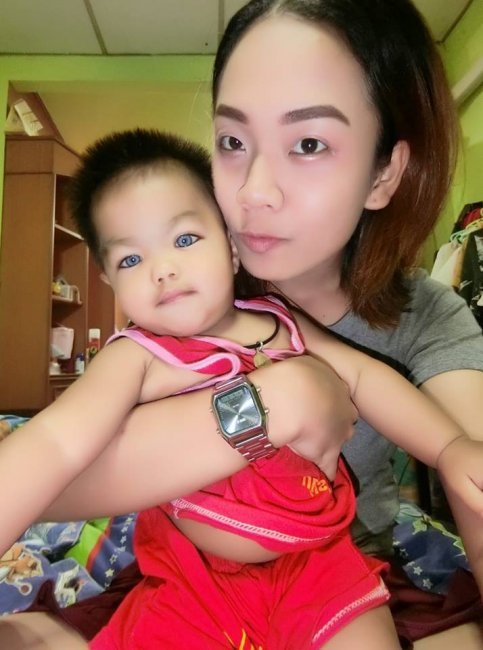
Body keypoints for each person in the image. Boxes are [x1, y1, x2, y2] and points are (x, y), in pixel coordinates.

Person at [1, 0, 482, 647]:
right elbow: (56, 451)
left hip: (324, 565)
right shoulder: (144, 349)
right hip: (191, 577)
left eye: (307, 143)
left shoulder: (284, 321)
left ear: (384, 171)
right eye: (233, 141)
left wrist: (449, 449)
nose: (254, 190)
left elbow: (367, 381)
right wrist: (274, 401)